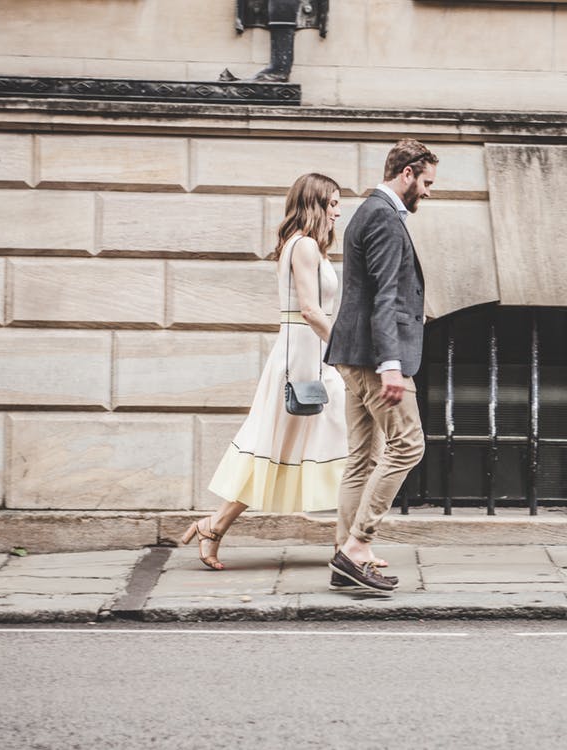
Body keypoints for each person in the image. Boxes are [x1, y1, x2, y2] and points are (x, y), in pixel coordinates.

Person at [181, 172, 348, 570]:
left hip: (310, 356)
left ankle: (352, 543)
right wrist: (344, 348)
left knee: (320, 445)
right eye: (334, 203)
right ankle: (353, 545)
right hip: (304, 359)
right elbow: (309, 310)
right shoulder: (304, 246)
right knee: (281, 448)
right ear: (316, 203)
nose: (339, 211)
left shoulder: (304, 246)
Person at [325, 139, 438, 592]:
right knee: (409, 445)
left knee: (362, 458)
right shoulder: (385, 219)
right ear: (406, 173)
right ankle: (357, 546)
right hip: (375, 358)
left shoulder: (367, 212)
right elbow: (386, 297)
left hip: (351, 354)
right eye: (426, 182)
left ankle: (345, 555)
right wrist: (391, 364)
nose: (428, 192)